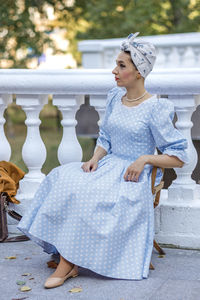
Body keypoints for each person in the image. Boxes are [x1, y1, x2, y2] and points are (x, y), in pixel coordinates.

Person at [17, 32, 189, 288]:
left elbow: (179, 157)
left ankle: (67, 265)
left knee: (87, 194)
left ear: (139, 72)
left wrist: (144, 159)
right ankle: (66, 249)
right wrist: (95, 158)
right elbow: (106, 136)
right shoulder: (114, 98)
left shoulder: (155, 108)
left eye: (122, 66)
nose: (114, 71)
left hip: (132, 175)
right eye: (116, 64)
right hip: (108, 165)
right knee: (61, 176)